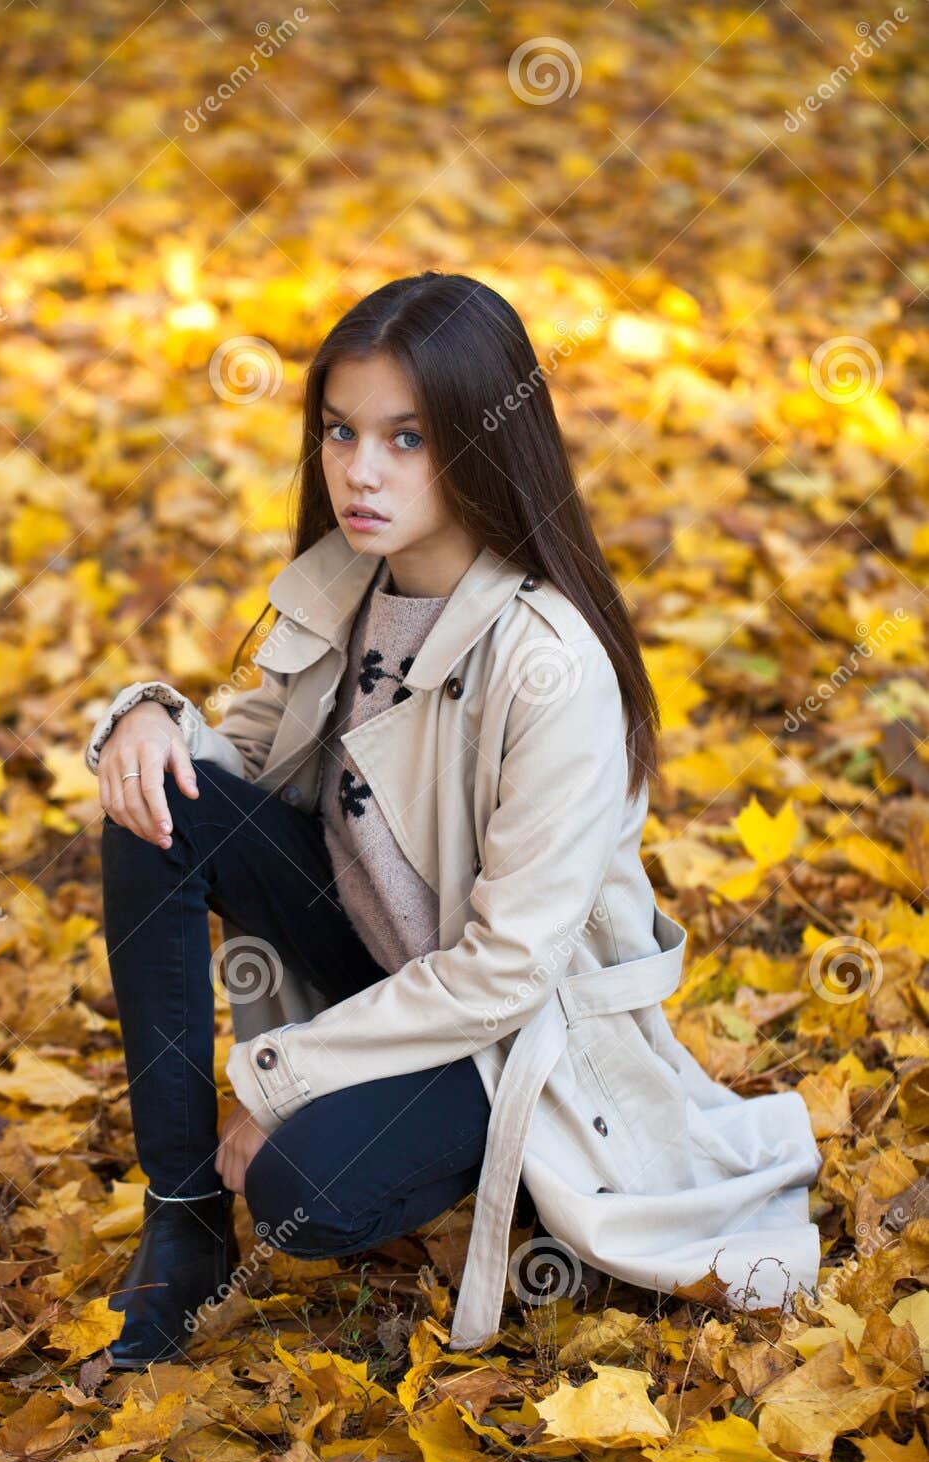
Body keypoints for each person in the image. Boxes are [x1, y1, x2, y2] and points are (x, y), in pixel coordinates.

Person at [85, 271, 821, 1370]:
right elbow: (237, 764)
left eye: (405, 439)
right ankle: (182, 1212)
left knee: (302, 1196)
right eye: (339, 432)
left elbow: (505, 973)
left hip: (513, 1031)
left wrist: (285, 1077)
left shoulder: (547, 661)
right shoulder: (347, 577)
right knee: (157, 804)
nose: (359, 471)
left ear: (482, 444)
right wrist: (143, 718)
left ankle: (508, 1167)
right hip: (381, 964)